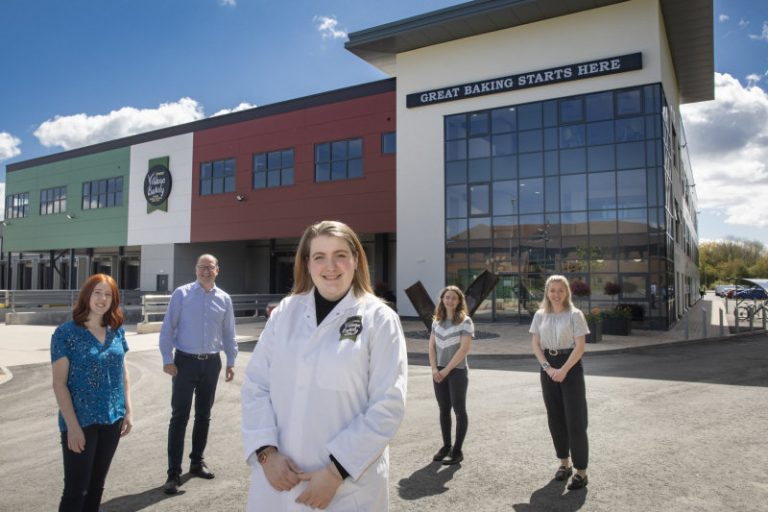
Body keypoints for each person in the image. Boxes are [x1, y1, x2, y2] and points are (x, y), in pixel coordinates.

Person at [241, 220, 408, 511]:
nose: (330, 266)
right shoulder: (285, 312)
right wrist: (266, 454)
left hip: (347, 488)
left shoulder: (380, 319)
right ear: (307, 263)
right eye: (319, 257)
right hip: (278, 479)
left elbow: (388, 404)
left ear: (356, 260)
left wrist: (336, 472)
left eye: (340, 255)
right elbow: (256, 385)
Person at [51, 273, 132, 511]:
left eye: (108, 295)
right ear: (87, 295)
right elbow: (59, 383)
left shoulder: (117, 331)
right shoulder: (66, 334)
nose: (102, 299)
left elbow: (123, 373)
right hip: (81, 421)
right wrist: (72, 427)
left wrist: (128, 411)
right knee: (76, 490)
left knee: (96, 486)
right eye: (97, 293)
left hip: (112, 419)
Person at [159, 254, 237, 494]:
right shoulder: (181, 294)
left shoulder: (224, 299)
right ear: (195, 270)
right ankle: (173, 473)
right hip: (184, 363)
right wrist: (167, 358)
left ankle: (196, 462)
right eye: (202, 267)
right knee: (179, 417)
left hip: (211, 363)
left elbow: (229, 332)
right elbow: (168, 327)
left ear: (217, 270)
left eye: (210, 267)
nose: (205, 271)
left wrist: (231, 361)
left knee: (204, 415)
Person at [529, 275, 590, 491]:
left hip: (570, 366)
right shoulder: (539, 315)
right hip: (548, 366)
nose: (556, 294)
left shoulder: (575, 315)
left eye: (560, 290)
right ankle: (564, 463)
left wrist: (563, 370)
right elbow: (535, 345)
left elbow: (580, 346)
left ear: (567, 293)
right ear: (547, 292)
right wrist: (548, 368)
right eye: (552, 290)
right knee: (555, 417)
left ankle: (581, 471)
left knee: (575, 419)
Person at [428, 285, 474, 465]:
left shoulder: (466, 322)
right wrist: (434, 369)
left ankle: (457, 450)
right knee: (443, 410)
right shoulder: (436, 321)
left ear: (459, 301)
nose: (450, 300)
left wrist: (446, 370)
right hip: (438, 371)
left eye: (454, 298)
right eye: (447, 297)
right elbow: (431, 346)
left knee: (459, 410)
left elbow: (464, 349)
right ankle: (446, 446)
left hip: (457, 371)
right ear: (442, 300)